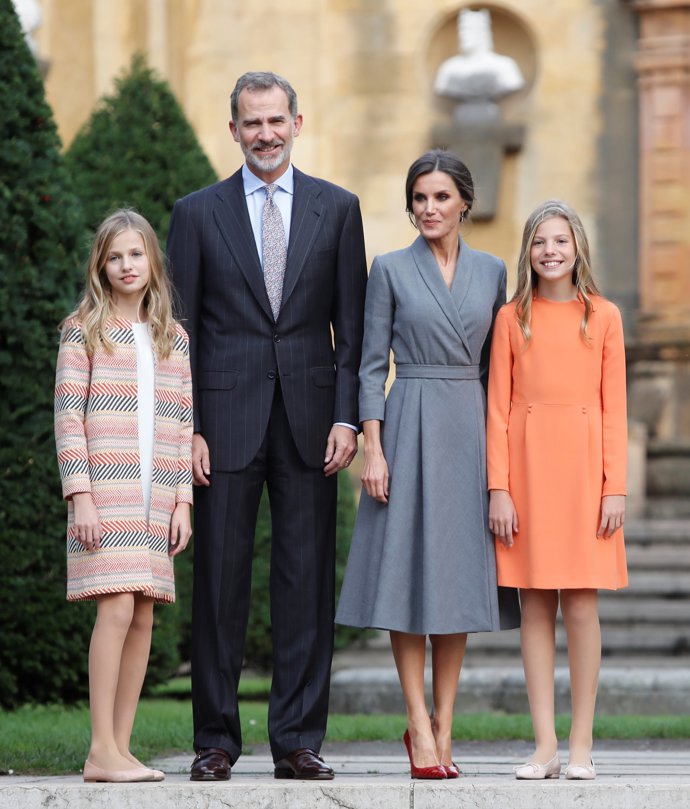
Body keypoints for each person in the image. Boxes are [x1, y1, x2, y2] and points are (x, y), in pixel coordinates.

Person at [167, 71, 367, 782]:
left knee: (306, 581)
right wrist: (184, 424)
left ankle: (298, 738)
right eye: (252, 123)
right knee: (219, 582)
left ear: (297, 121)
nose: (265, 134)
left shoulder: (338, 210)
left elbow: (355, 327)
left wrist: (349, 416)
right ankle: (215, 739)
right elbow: (178, 330)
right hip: (221, 422)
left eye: (276, 120)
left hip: (316, 424)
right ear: (233, 131)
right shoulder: (195, 214)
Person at [336, 149, 520, 779]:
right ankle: (416, 722)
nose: (430, 208)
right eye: (420, 198)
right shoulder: (387, 268)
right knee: (407, 574)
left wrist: (503, 468)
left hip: (468, 424)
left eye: (441, 197)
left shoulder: (494, 271)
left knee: (456, 579)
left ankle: (445, 722)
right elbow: (367, 365)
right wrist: (373, 447)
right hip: (408, 419)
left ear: (464, 202)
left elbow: (500, 373)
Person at [487, 200, 628, 781]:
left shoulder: (604, 317)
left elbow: (614, 407)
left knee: (582, 603)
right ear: (527, 251)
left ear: (577, 249)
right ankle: (544, 745)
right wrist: (499, 487)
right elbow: (496, 409)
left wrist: (613, 485)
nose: (550, 251)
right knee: (535, 603)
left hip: (585, 471)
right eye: (540, 241)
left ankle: (580, 746)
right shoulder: (509, 319)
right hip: (527, 470)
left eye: (560, 241)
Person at [54, 209, 193, 783]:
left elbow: (182, 422)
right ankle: (98, 748)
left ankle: (121, 748)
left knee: (142, 615)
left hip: (155, 494)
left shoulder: (172, 336)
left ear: (152, 260)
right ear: (100, 266)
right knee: (114, 606)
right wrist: (79, 494)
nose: (127, 265)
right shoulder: (81, 328)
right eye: (115, 257)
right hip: (104, 492)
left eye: (136, 254)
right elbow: (68, 415)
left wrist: (183, 501)